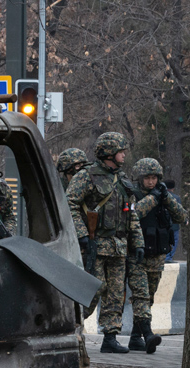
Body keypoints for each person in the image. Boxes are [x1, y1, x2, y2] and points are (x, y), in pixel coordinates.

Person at [66, 132, 144, 354]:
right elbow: (70, 203)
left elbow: (132, 213)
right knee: (93, 290)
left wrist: (137, 242)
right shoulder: (86, 176)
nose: (124, 155)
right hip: (95, 245)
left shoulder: (122, 179)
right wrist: (81, 233)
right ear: (109, 152)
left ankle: (110, 337)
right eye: (120, 151)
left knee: (117, 293)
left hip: (119, 246)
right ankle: (71, 330)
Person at [126, 158, 188, 353]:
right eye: (147, 178)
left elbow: (182, 217)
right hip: (136, 255)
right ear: (139, 178)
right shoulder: (132, 194)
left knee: (149, 298)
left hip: (157, 256)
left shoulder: (162, 195)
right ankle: (148, 335)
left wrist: (166, 198)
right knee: (141, 297)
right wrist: (153, 197)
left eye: (154, 178)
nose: (151, 182)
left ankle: (136, 337)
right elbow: (133, 214)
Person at [164, 180, 182, 263]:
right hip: (174, 224)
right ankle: (169, 257)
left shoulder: (160, 196)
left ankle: (164, 256)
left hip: (163, 223)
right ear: (173, 188)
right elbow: (179, 211)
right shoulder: (176, 198)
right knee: (174, 240)